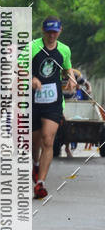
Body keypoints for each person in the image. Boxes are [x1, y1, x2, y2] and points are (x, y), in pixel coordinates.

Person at [32, 17, 76, 198]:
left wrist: (71, 77)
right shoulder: (32, 47)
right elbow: (19, 68)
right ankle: (35, 164)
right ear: (43, 31)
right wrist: (31, 78)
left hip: (53, 102)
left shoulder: (64, 50)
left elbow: (67, 68)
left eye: (55, 32)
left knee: (48, 140)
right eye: (49, 32)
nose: (51, 35)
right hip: (33, 102)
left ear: (60, 31)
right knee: (34, 143)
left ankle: (40, 183)